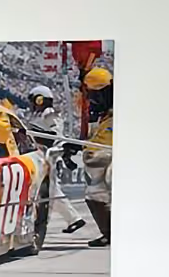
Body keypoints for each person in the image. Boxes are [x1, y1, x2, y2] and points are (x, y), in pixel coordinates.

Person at [28, 84, 85, 235]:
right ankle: (73, 219)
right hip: (43, 156)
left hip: (51, 156)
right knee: (51, 191)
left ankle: (72, 219)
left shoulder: (49, 114)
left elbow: (55, 135)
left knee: (51, 190)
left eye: (33, 100)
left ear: (40, 99)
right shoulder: (39, 115)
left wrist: (35, 135)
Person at [80, 68, 114, 248]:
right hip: (100, 161)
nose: (93, 100)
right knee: (94, 195)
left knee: (101, 193)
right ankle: (109, 233)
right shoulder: (103, 116)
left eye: (95, 95)